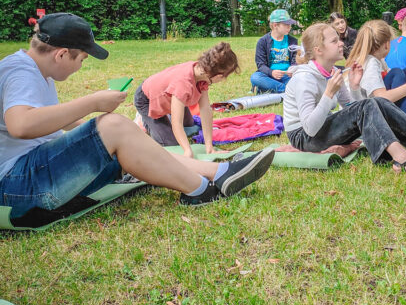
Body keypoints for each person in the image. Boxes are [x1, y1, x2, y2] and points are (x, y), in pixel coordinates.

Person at [0, 13, 274, 220]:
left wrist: (89, 133)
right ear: (61, 54)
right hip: (18, 186)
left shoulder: (35, 72)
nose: (80, 67)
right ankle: (200, 188)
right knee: (115, 126)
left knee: (123, 138)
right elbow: (22, 124)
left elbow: (46, 118)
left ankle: (219, 172)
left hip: (31, 176)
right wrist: (92, 103)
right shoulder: (22, 73)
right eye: (82, 59)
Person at [282, 23, 406, 175]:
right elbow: (309, 128)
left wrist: (354, 86)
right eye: (334, 41)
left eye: (338, 39)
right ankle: (403, 158)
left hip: (320, 129)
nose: (340, 43)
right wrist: (328, 94)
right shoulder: (305, 79)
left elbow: (352, 111)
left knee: (377, 101)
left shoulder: (332, 72)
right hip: (304, 137)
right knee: (373, 102)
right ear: (318, 50)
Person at [134, 42, 239, 155]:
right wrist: (187, 150)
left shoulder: (202, 72)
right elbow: (176, 123)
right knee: (171, 146)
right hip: (148, 100)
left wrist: (209, 148)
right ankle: (144, 120)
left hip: (173, 98)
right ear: (219, 76)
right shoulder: (183, 84)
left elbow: (205, 110)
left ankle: (169, 112)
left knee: (189, 125)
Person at [251, 9, 300, 94]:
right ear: (275, 25)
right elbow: (261, 65)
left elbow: (295, 61)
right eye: (286, 24)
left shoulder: (293, 41)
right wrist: (272, 72)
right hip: (269, 76)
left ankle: (272, 89)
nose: (290, 27)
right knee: (255, 77)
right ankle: (287, 90)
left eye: (290, 24)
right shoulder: (262, 41)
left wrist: (292, 69)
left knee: (302, 77)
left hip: (288, 76)